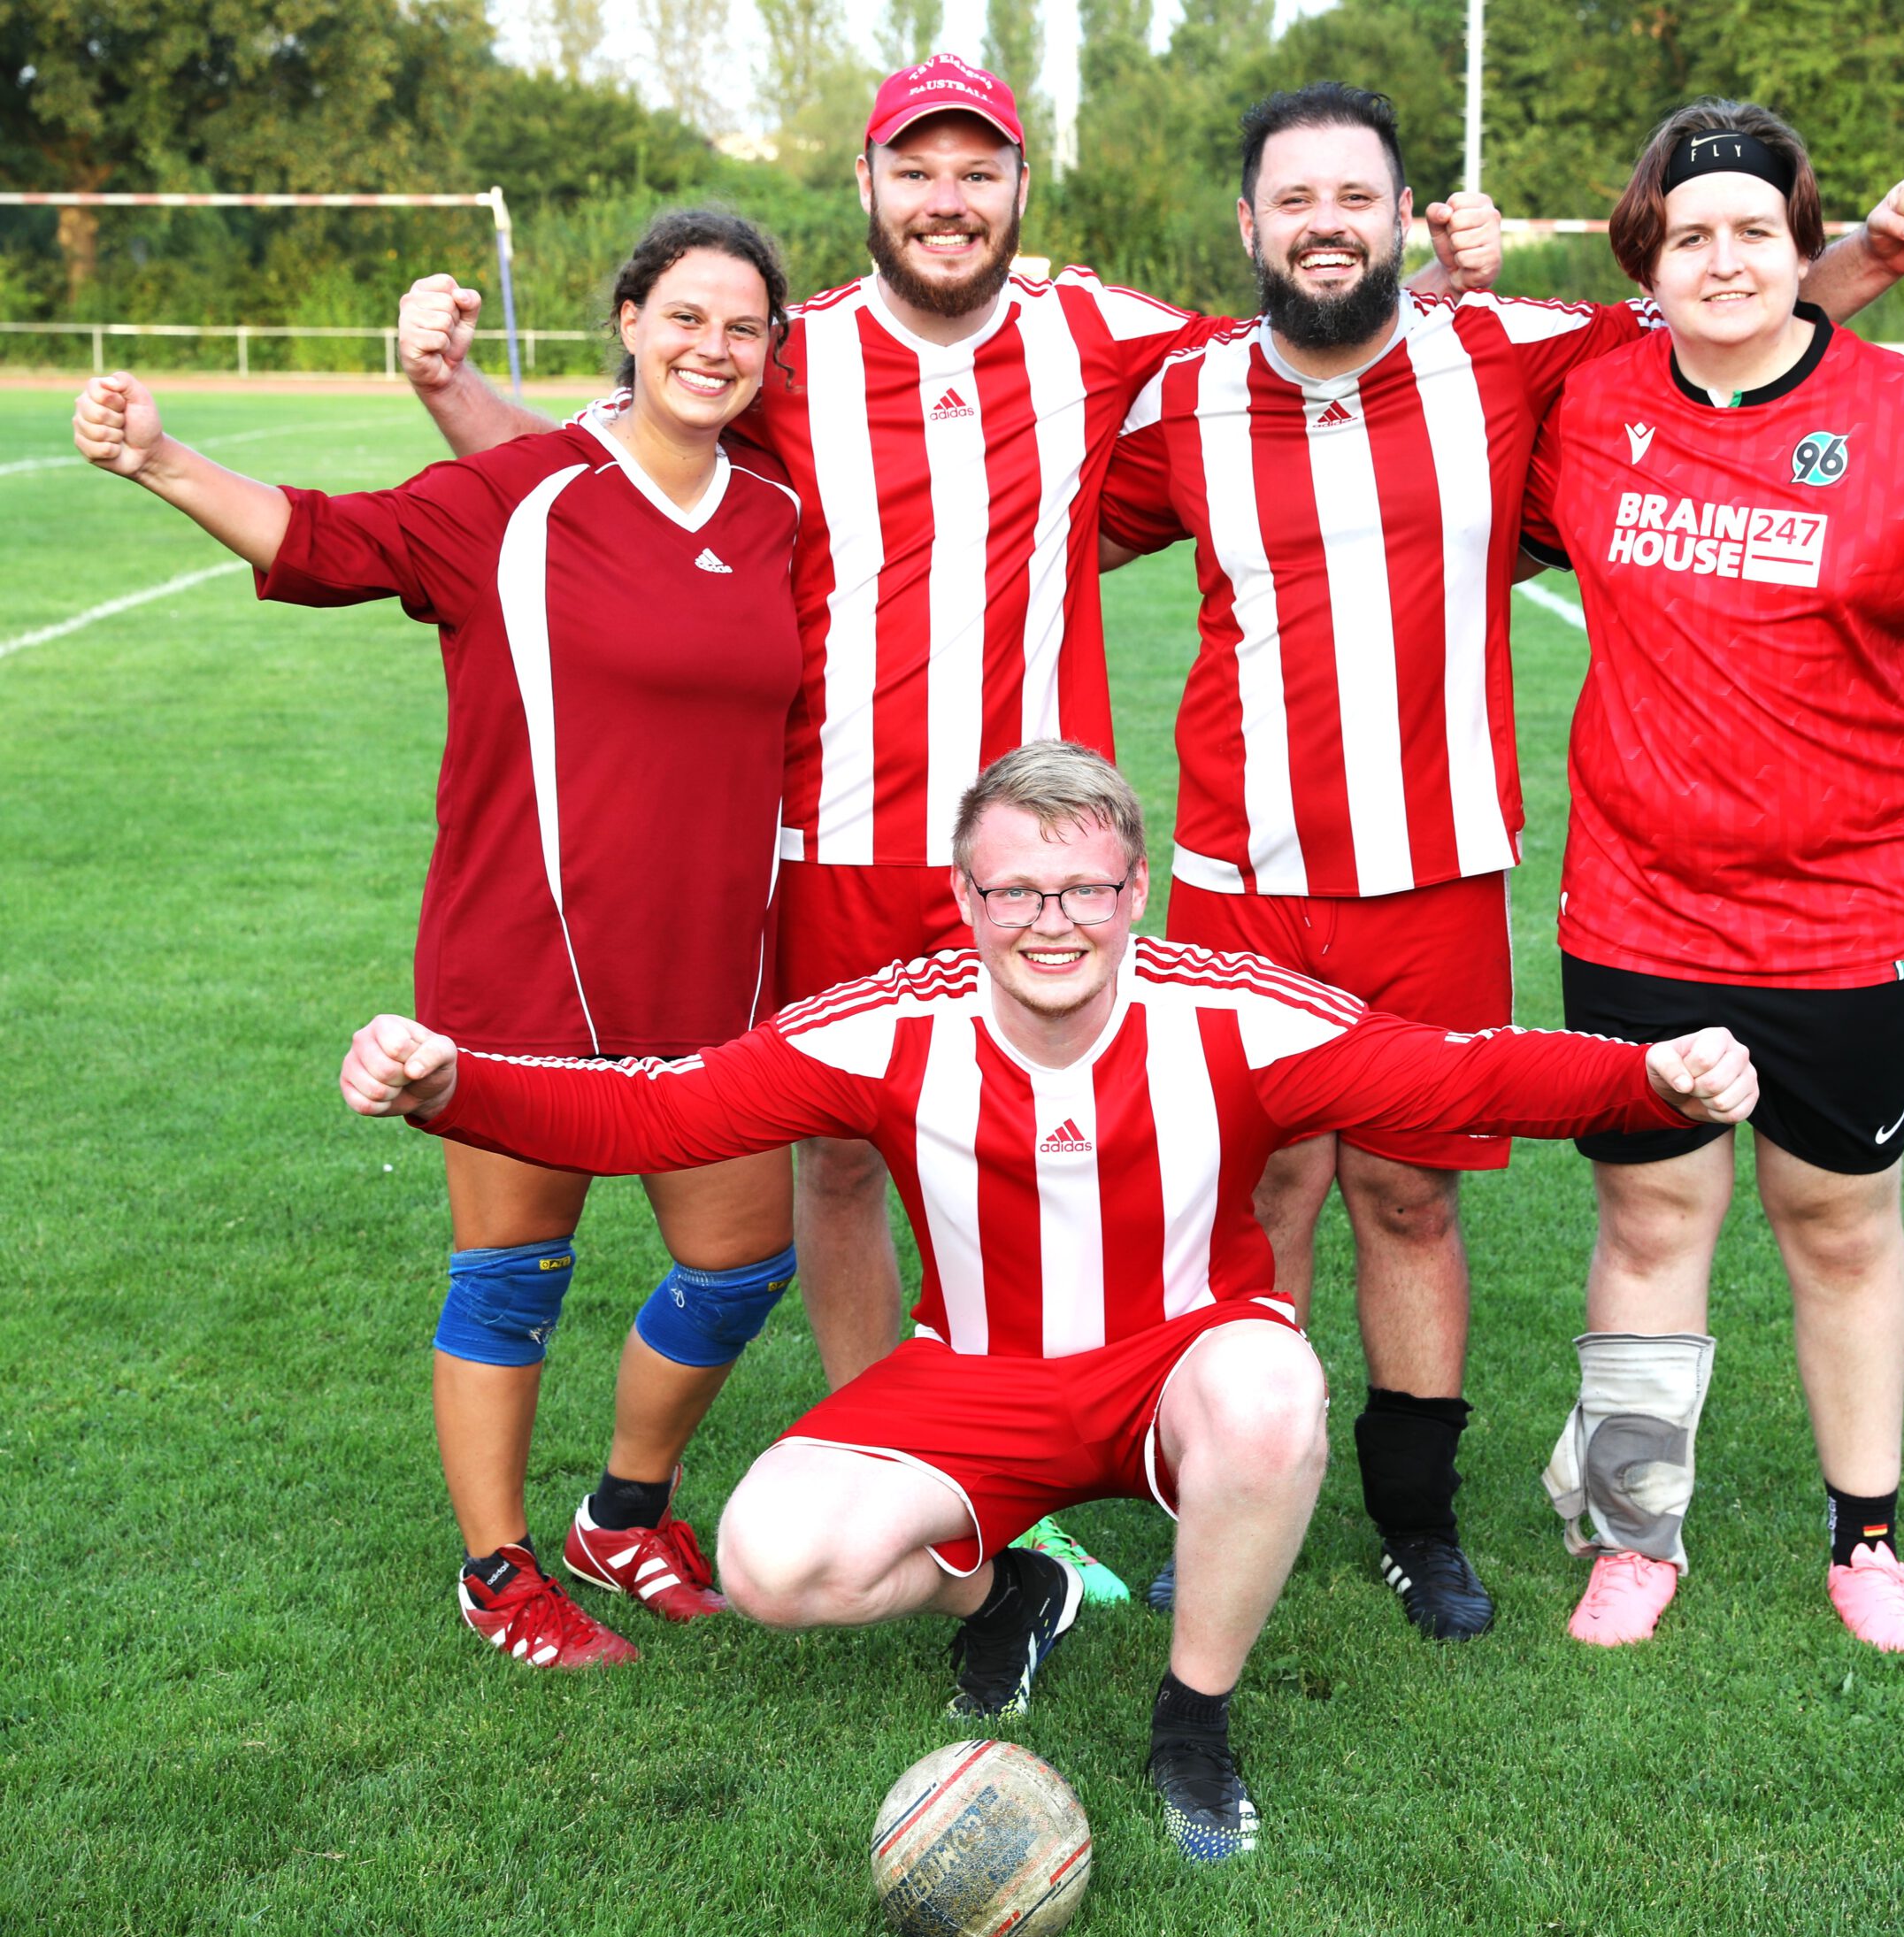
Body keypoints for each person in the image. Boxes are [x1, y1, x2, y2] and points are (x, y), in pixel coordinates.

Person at [390, 54, 1506, 1601]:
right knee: (843, 1171)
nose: (947, 198)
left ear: (1019, 192)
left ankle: (1089, 1445)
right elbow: (592, 485)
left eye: (978, 170)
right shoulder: (785, 360)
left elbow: (1316, 351)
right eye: (917, 169)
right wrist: (450, 386)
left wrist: (1449, 285)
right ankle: (911, 1471)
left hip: (1044, 858)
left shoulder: (1104, 330)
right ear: (867, 189)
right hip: (834, 839)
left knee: (1063, 1160)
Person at [337, 741, 1758, 1857]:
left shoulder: (1234, 1012)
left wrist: (1649, 1078)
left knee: (1273, 1392)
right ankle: (1008, 1577)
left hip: (1183, 1364)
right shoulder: (890, 1025)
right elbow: (667, 1112)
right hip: (974, 1379)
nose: (1052, 919)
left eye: (1085, 887)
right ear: (965, 900)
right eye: (1014, 889)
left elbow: (1458, 1072)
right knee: (773, 1561)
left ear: (1135, 889)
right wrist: (456, 1083)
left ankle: (1192, 1719)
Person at [1098, 82, 1904, 1638]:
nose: (1322, 223)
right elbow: (1012, 527)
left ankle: (1417, 1523)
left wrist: (1870, 268)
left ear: (1404, 214)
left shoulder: (1508, 354)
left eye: (1355, 196)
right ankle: (1225, 1496)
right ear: (1248, 224)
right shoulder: (1181, 400)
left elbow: (1733, 322)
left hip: (1435, 867)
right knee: (1262, 1199)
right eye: (1292, 199)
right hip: (1240, 877)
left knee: (1411, 1200)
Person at [74, 210, 809, 1670]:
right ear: (628, 321)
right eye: (685, 317)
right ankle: (497, 1572)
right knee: (512, 1275)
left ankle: (624, 1513)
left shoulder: (778, 512)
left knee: (742, 1266)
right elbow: (326, 537)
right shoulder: (515, 497)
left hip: (719, 977)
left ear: (770, 351)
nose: (712, 347)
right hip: (528, 963)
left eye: (742, 327)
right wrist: (159, 456)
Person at [1517, 99, 1904, 1656]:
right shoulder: (1595, 406)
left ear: (1797, 244)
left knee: (1837, 1223)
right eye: (1692, 233)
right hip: (1636, 906)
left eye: (1755, 230)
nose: (1726, 258)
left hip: (1840, 918)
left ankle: (1868, 1543)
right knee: (1651, 1225)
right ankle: (1638, 1537)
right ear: (1651, 256)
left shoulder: (1903, 412)